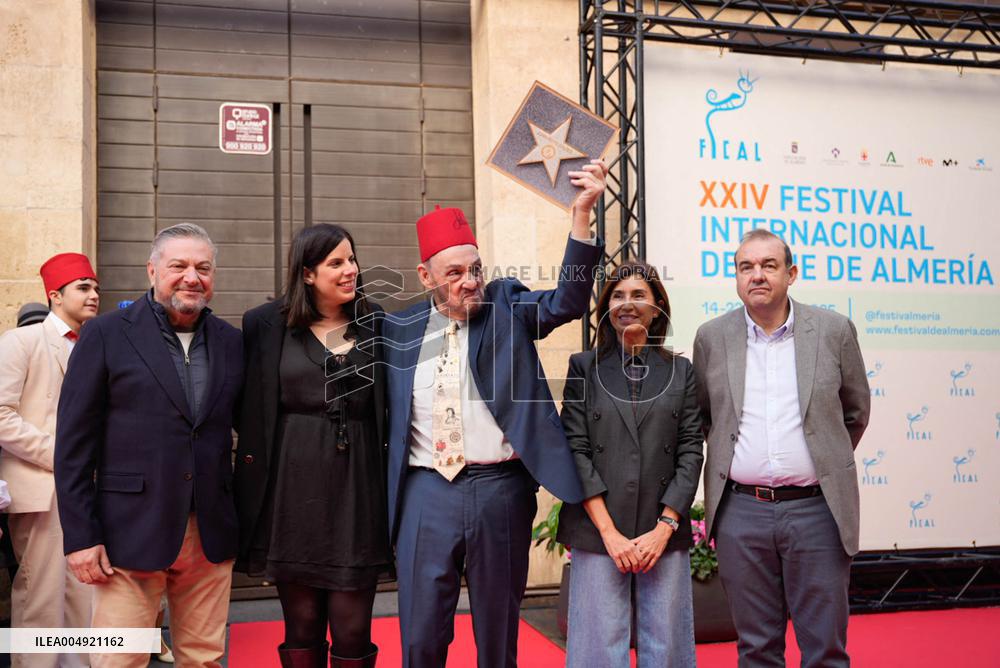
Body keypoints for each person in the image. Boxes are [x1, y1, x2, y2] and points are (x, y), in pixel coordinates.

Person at [380, 159, 608, 668]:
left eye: (475, 269)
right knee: (420, 638)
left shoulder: (505, 304)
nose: (470, 282)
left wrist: (581, 216)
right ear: (425, 276)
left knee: (498, 637)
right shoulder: (397, 330)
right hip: (425, 493)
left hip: (499, 491)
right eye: (455, 273)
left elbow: (567, 302)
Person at [54, 224, 243, 668]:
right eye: (179, 266)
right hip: (128, 534)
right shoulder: (106, 334)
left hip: (208, 534)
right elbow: (73, 446)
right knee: (118, 659)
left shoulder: (231, 341)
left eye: (203, 268)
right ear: (153, 270)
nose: (192, 277)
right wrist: (81, 537)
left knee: (204, 658)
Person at [692, 229, 870, 667]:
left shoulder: (833, 330)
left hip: (817, 511)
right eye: (746, 267)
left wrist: (820, 461)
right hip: (741, 513)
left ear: (791, 274)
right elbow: (705, 417)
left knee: (825, 649)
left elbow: (855, 411)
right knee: (756, 650)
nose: (756, 275)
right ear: (736, 276)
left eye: (768, 265)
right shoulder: (711, 337)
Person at [235, 224, 391, 668]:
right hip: (292, 494)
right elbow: (246, 406)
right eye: (335, 263)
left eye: (352, 259)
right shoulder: (264, 324)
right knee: (301, 624)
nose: (350, 270)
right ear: (307, 273)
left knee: (352, 628)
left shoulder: (377, 322)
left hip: (357, 493)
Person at [557, 261, 703, 668]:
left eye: (639, 295)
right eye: (617, 296)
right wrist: (609, 533)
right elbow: (576, 449)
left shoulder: (681, 371)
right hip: (597, 529)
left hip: (662, 529)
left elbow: (691, 449)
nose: (627, 304)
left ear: (657, 307)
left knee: (667, 649)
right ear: (606, 308)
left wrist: (665, 527)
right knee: (597, 650)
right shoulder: (583, 367)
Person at [0, 253, 99, 668]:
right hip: (43, 485)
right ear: (55, 295)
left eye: (95, 288)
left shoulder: (97, 343)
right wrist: (61, 457)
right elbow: (1, 415)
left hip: (90, 485)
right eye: (83, 288)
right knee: (41, 592)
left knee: (86, 588)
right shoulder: (20, 341)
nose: (94, 295)